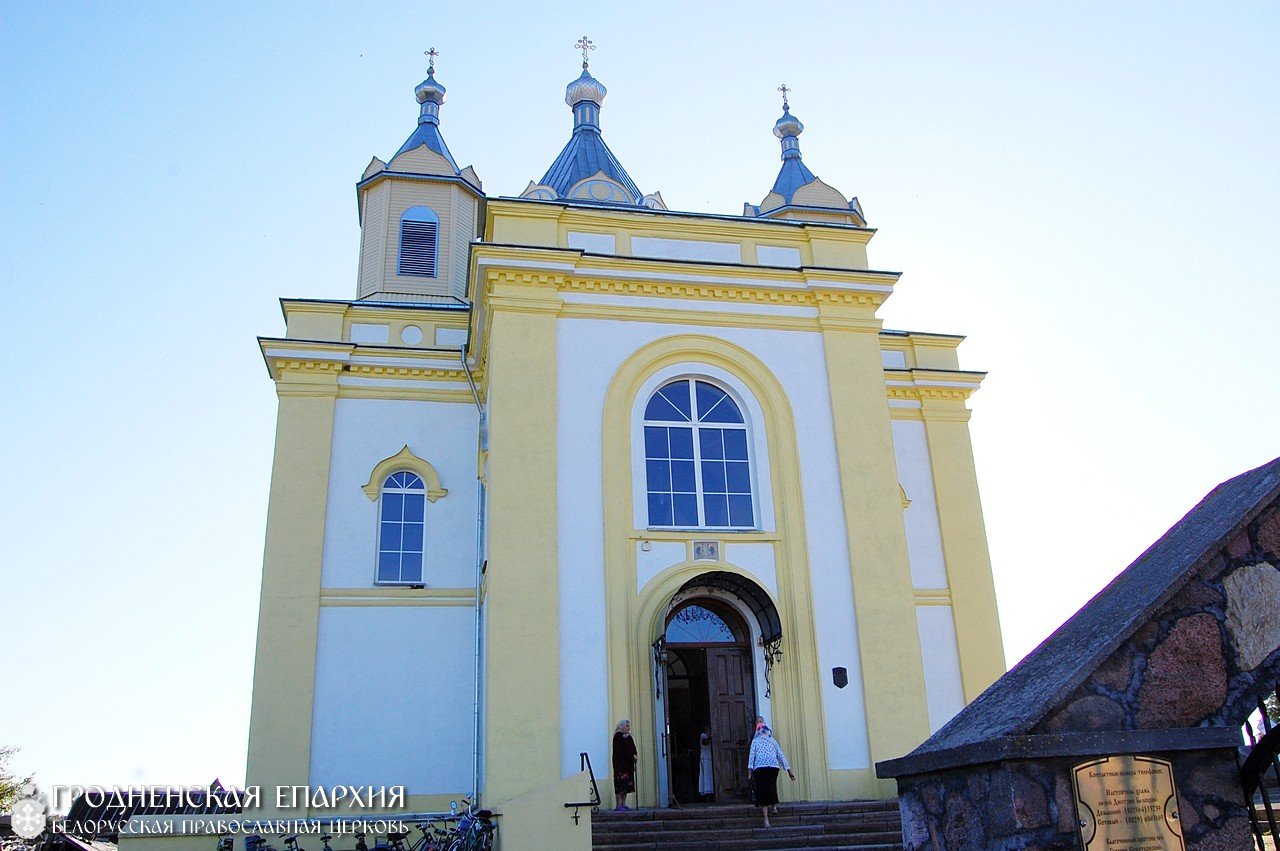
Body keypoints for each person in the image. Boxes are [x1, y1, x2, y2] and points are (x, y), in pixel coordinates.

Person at [747, 722, 794, 827]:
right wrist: (789, 770)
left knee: (762, 791)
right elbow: (780, 755)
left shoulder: (755, 741)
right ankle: (774, 807)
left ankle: (766, 819)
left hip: (760, 768)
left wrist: (749, 771)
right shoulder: (773, 741)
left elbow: (751, 756)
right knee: (771, 787)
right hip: (773, 767)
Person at [612, 719, 638, 811]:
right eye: (627, 726)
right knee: (620, 785)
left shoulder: (628, 737)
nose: (628, 728)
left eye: (629, 726)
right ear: (621, 726)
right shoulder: (618, 736)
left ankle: (623, 804)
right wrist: (631, 756)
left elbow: (632, 747)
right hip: (620, 765)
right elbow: (621, 751)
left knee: (626, 786)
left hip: (628, 765)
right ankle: (618, 805)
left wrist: (635, 755)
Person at [697, 727, 713, 799]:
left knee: (707, 775)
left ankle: (708, 792)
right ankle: (707, 792)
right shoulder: (703, 735)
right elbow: (705, 742)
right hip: (705, 757)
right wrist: (710, 736)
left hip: (707, 757)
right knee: (706, 775)